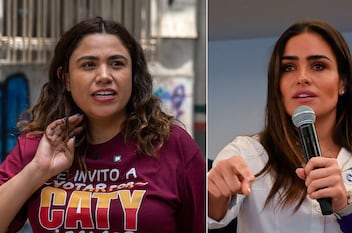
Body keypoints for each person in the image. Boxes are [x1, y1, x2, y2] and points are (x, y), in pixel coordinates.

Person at [0, 17, 205, 233]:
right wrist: (38, 170)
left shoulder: (173, 145)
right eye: (89, 65)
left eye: (117, 64)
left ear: (133, 75)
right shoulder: (38, 147)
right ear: (66, 79)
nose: (104, 76)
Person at [208, 20, 352, 233]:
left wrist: (348, 210)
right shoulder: (247, 154)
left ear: (342, 82)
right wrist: (213, 194)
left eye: (318, 66)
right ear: (277, 84)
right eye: (288, 68)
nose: (302, 78)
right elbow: (206, 216)